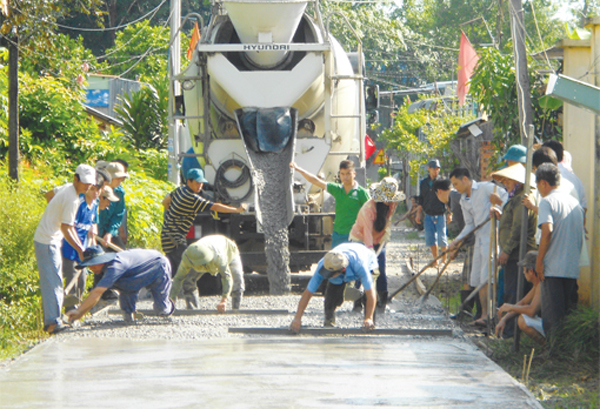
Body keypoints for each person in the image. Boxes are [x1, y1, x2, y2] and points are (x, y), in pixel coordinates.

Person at [161, 168, 247, 294]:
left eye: (201, 183)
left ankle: (164, 292)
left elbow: (165, 201)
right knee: (186, 266)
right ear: (189, 182)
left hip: (167, 234)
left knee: (173, 266)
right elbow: (215, 206)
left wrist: (175, 213)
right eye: (197, 183)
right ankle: (180, 294)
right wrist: (236, 210)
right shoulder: (191, 198)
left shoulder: (179, 190)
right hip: (175, 238)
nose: (200, 186)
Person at [34, 164, 96, 334]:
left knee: (55, 280)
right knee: (53, 282)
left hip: (50, 238)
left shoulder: (67, 189)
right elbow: (67, 228)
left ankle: (54, 319)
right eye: (84, 183)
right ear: (75, 179)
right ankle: (52, 323)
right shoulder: (73, 199)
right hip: (47, 240)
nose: (88, 187)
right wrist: (80, 250)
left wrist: (53, 213)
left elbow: (49, 195)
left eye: (90, 184)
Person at [448, 168, 507, 326]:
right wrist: (456, 240)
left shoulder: (486, 188)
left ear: (465, 179)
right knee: (478, 279)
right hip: (479, 239)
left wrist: (498, 207)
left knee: (487, 278)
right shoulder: (463, 200)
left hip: (492, 237)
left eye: (456, 183)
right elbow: (469, 224)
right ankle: (483, 315)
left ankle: (490, 316)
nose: (455, 187)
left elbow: (507, 200)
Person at [535, 163, 584, 337]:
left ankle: (553, 355)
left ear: (542, 183)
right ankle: (565, 356)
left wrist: (539, 262)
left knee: (553, 320)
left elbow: (547, 231)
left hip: (553, 269)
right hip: (571, 269)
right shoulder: (575, 203)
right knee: (568, 318)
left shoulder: (547, 201)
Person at [65, 245, 175, 323]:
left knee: (162, 310)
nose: (91, 268)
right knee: (124, 287)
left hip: (158, 265)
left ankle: (169, 304)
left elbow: (97, 292)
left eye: (93, 264)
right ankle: (129, 313)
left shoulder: (115, 266)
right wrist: (79, 314)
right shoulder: (100, 271)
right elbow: (95, 295)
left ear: (102, 260)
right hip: (133, 276)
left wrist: (79, 310)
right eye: (89, 266)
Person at [490, 164, 537, 337]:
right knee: (513, 291)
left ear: (516, 182)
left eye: (508, 181)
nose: (506, 184)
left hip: (518, 254)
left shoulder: (521, 199)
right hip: (515, 253)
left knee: (514, 292)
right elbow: (513, 223)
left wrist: (507, 250)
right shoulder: (515, 198)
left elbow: (518, 228)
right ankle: (510, 331)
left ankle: (510, 333)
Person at [290, 242, 379, 332]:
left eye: (330, 274)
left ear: (342, 270)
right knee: (331, 295)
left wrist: (369, 318)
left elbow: (370, 292)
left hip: (367, 261)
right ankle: (329, 321)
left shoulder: (360, 265)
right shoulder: (324, 264)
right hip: (343, 265)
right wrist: (297, 318)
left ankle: (369, 323)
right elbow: (308, 293)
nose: (327, 276)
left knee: (369, 295)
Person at [62, 171, 116, 310]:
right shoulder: (78, 204)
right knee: (71, 282)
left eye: (98, 190)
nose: (96, 193)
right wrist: (80, 248)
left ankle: (77, 312)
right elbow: (69, 227)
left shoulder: (94, 205)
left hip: (83, 252)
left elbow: (91, 233)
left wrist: (91, 251)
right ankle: (69, 312)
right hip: (69, 250)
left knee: (82, 282)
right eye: (93, 189)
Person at [349, 177, 404, 313]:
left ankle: (382, 301)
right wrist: (369, 252)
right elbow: (367, 232)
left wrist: (385, 235)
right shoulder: (368, 209)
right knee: (362, 269)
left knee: (380, 269)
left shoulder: (392, 204)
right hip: (360, 239)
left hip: (379, 239)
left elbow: (388, 220)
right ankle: (357, 302)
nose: (388, 201)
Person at [290, 160, 369, 247]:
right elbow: (315, 181)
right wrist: (299, 169)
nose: (345, 177)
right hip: (338, 235)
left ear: (354, 174)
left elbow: (371, 213)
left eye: (348, 174)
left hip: (355, 237)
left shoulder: (362, 193)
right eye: (342, 174)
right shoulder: (336, 189)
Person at [170, 235, 245, 311]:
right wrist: (172, 298)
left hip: (229, 252)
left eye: (201, 265)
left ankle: (236, 309)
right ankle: (192, 311)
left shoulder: (218, 257)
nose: (199, 267)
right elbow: (178, 278)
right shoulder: (188, 257)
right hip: (207, 252)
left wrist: (224, 300)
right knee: (188, 281)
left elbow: (226, 277)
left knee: (238, 281)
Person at [495, 251, 544, 344]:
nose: (523, 273)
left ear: (531, 271)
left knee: (522, 320)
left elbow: (531, 310)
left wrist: (511, 307)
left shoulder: (541, 285)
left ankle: (547, 347)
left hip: (551, 326)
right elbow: (523, 303)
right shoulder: (536, 285)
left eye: (524, 269)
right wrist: (504, 319)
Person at [416, 159, 449, 265]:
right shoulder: (424, 183)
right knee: (430, 238)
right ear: (429, 169)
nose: (436, 171)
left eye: (438, 169)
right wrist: (418, 213)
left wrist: (450, 213)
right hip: (428, 214)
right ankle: (435, 260)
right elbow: (421, 199)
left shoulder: (443, 182)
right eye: (434, 169)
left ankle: (444, 260)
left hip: (440, 213)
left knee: (442, 238)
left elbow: (449, 198)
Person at [98, 161, 129, 249]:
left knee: (121, 254)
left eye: (121, 179)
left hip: (110, 231)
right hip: (95, 231)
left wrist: (110, 233)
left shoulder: (119, 192)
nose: (120, 181)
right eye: (117, 178)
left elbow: (118, 214)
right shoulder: (97, 189)